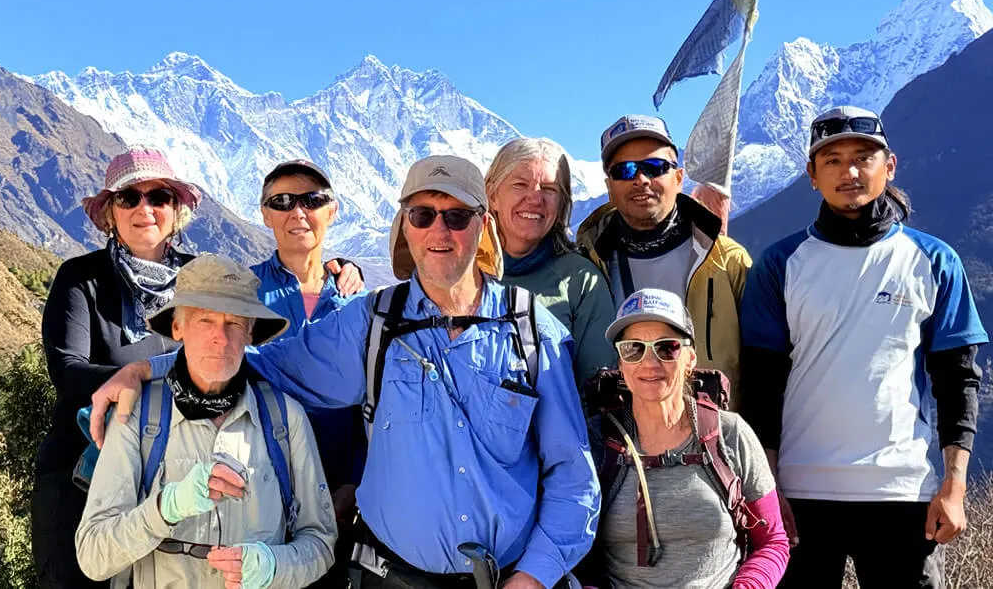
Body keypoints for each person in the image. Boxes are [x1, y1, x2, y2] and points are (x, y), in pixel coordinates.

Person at [92, 155, 600, 589]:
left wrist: (534, 577)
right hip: (390, 579)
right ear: (406, 228)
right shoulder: (370, 324)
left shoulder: (535, 331)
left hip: (509, 578)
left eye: (457, 216)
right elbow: (259, 362)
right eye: (423, 215)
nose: (439, 231)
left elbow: (574, 479)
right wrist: (147, 368)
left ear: (483, 225)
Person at [739, 107, 988, 587]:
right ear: (812, 176)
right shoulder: (780, 263)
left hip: (902, 491)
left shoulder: (934, 261)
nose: (849, 172)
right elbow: (762, 382)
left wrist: (954, 485)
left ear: (889, 165)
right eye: (831, 160)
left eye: (863, 157)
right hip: (801, 491)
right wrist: (767, 491)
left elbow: (958, 379)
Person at [76, 254, 338, 588]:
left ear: (250, 333)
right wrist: (166, 508)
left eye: (234, 323)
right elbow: (92, 557)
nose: (221, 338)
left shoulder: (285, 419)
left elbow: (320, 542)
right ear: (177, 327)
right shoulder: (137, 416)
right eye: (204, 320)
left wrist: (275, 566)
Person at [34, 146, 202, 588]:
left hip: (178, 483)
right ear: (110, 212)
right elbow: (68, 371)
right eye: (129, 198)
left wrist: (336, 269)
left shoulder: (203, 281)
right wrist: (142, 371)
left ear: (175, 210)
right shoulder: (80, 278)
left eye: (159, 197)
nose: (144, 208)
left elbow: (247, 342)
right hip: (82, 481)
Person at [578, 288, 788, 589]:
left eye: (667, 347)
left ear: (690, 358)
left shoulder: (730, 434)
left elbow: (772, 541)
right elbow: (572, 549)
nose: (650, 363)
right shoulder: (596, 441)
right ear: (621, 366)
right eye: (633, 349)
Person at [577, 115, 751, 406]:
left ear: (679, 178)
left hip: (716, 439)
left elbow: (764, 365)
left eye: (655, 167)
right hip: (619, 442)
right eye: (625, 170)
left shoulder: (728, 261)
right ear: (609, 185)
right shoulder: (586, 266)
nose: (641, 179)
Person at [251, 159, 367, 587]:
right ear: (265, 214)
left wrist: (355, 483)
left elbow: (376, 404)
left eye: (312, 200)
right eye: (282, 201)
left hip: (343, 497)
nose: (298, 212)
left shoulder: (358, 302)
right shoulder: (242, 295)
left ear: (331, 210)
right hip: (260, 493)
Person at [485, 138, 616, 387]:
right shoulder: (463, 274)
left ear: (562, 203)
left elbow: (597, 389)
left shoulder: (580, 280)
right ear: (492, 195)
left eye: (549, 189)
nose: (534, 199)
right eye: (520, 184)